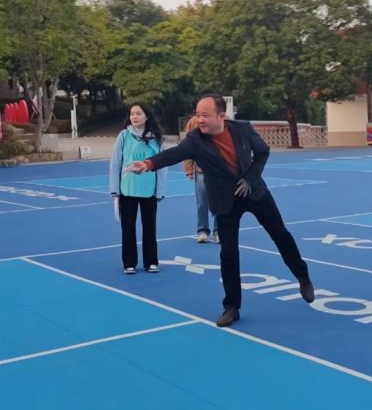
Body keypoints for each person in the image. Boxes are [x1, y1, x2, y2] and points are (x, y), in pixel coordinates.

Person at [128, 94, 314, 327]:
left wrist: (250, 178)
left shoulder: (242, 129)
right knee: (228, 253)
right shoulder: (195, 140)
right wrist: (147, 164)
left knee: (280, 235)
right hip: (225, 199)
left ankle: (302, 275)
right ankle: (232, 307)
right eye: (197, 114)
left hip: (254, 191)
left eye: (205, 115)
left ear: (221, 116)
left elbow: (262, 152)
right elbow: (173, 154)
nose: (200, 120)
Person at [109, 103, 168, 274]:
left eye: (138, 113)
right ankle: (129, 263)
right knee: (128, 228)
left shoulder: (156, 138)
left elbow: (162, 166)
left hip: (149, 189)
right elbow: (115, 164)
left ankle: (151, 261)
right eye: (132, 114)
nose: (134, 117)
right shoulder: (124, 136)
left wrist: (160, 191)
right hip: (127, 189)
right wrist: (115, 190)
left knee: (150, 227)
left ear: (146, 116)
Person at [184, 116, 218, 243]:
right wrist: (188, 167)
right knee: (202, 201)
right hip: (201, 169)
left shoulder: (223, 119)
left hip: (220, 170)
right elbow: (187, 146)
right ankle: (202, 230)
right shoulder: (193, 122)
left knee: (220, 201)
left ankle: (219, 230)